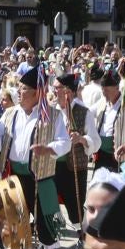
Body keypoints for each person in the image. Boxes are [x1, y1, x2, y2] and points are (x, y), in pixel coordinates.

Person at [0, 66, 70, 247]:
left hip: (40, 179)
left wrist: (48, 149)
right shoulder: (10, 113)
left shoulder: (52, 115)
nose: (18, 93)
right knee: (12, 230)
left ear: (36, 93)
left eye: (23, 89)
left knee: (47, 231)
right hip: (14, 178)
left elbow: (65, 143)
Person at [50, 73, 98, 225]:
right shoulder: (51, 111)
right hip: (53, 165)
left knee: (75, 206)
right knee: (49, 202)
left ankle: (82, 235)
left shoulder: (84, 112)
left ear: (67, 91)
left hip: (74, 166)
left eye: (56, 88)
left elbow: (96, 141)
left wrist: (82, 139)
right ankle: (51, 239)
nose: (53, 91)